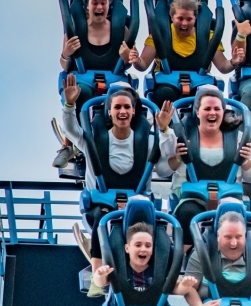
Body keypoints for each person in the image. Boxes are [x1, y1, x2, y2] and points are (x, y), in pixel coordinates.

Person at [60, 74, 175, 271]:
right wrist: (69, 105)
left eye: (127, 107)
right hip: (101, 204)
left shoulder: (144, 140)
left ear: (133, 111)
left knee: (152, 229)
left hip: (136, 205)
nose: (122, 112)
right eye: (117, 107)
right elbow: (71, 130)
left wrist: (164, 129)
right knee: (102, 219)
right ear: (109, 112)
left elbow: (166, 151)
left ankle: (151, 272)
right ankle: (97, 273)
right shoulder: (93, 139)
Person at [54, 0, 136, 167]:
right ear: (87, 6)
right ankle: (69, 145)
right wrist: (66, 53)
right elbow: (65, 64)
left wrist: (127, 57)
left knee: (119, 99)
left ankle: (120, 141)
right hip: (82, 76)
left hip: (114, 77)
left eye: (103, 3)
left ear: (109, 6)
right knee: (80, 93)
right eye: (95, 3)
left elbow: (131, 60)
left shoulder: (120, 28)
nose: (99, 7)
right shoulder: (75, 28)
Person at [167, 87, 251, 240]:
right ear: (197, 112)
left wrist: (246, 160)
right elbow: (162, 171)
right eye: (207, 109)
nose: (212, 113)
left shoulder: (238, 137)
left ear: (223, 112)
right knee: (188, 212)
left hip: (228, 196)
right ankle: (187, 257)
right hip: (192, 196)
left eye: (217, 109)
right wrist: (178, 158)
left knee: (231, 214)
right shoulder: (183, 136)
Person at [129, 0, 234, 104]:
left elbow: (223, 66)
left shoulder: (209, 36)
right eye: (180, 18)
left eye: (189, 19)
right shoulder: (159, 34)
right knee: (166, 95)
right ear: (172, 17)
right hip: (166, 84)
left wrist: (234, 61)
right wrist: (136, 60)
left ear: (195, 18)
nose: (184, 23)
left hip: (200, 83)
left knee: (206, 99)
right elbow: (143, 65)